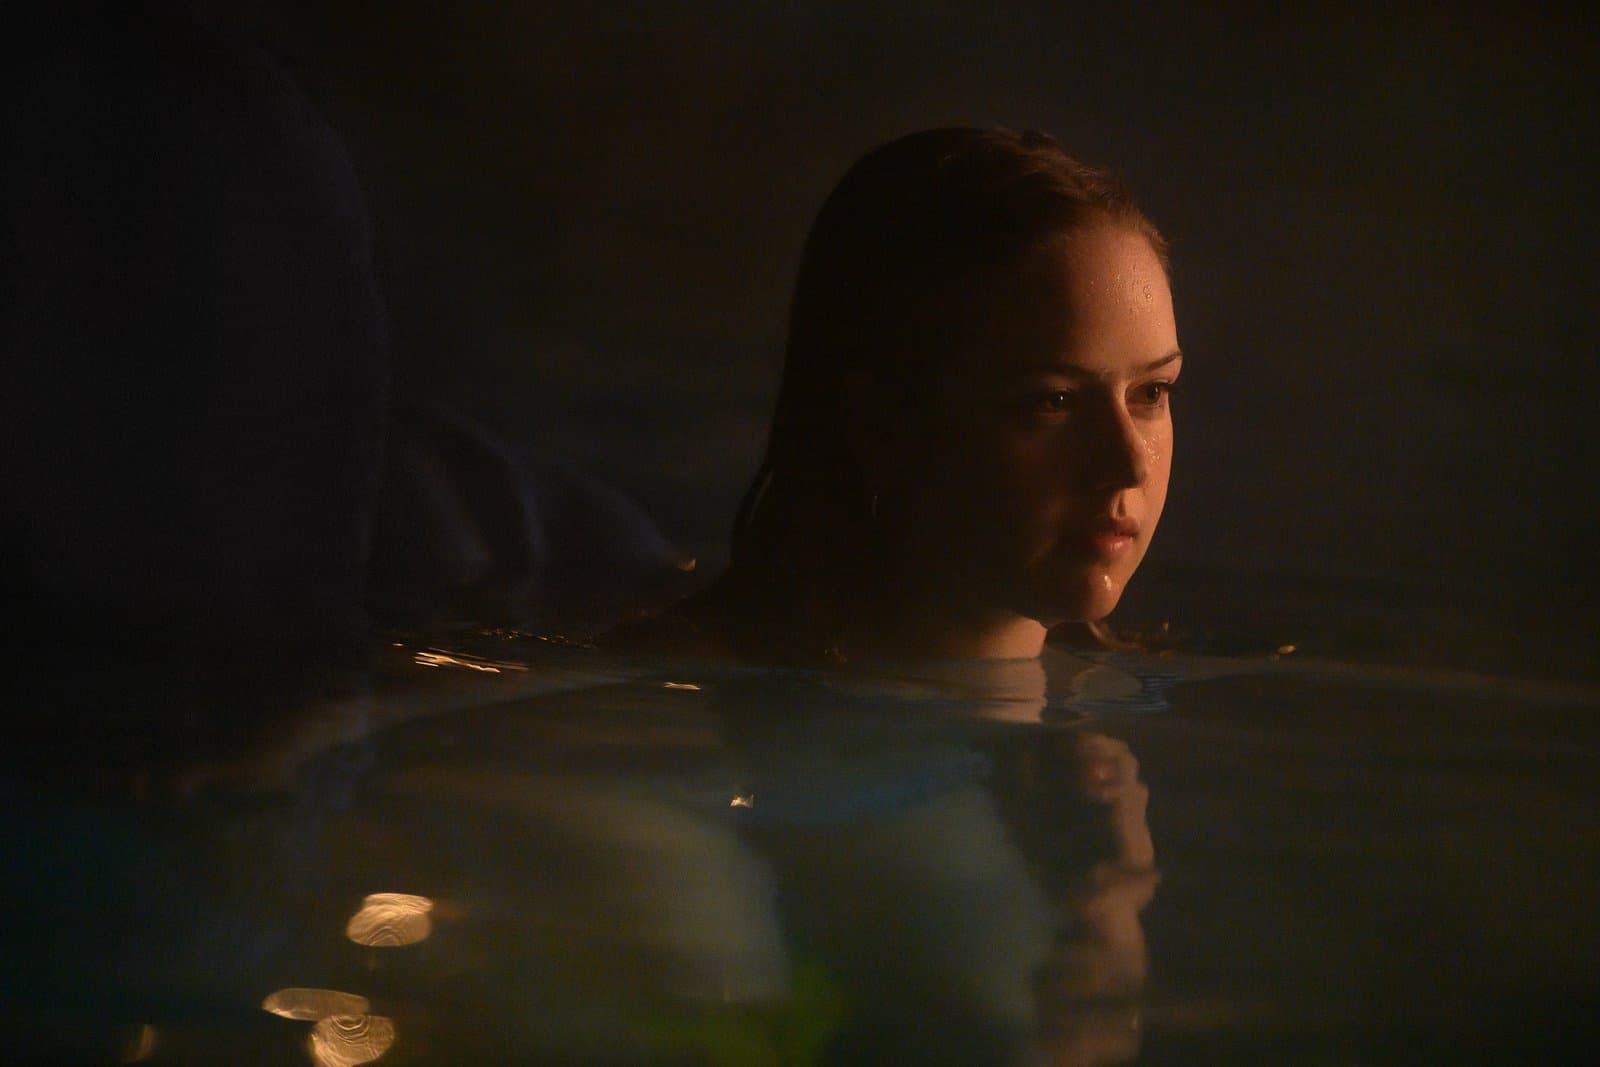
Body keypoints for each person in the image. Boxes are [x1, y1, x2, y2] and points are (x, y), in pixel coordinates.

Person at [612, 127, 1180, 664]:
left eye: (1151, 392)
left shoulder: (1143, 675)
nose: (1129, 463)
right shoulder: (662, 702)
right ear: (881, 427)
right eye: (1053, 402)